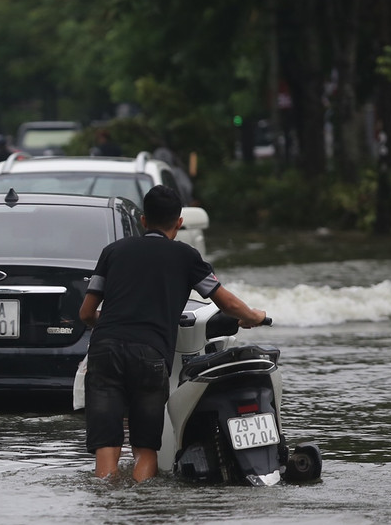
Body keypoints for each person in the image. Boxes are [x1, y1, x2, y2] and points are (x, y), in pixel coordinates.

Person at [78, 185, 266, 482]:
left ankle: (106, 500)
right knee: (145, 446)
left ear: (142, 221)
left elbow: (86, 314)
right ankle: (144, 502)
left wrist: (113, 322)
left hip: (105, 351)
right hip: (150, 353)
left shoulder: (113, 252)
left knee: (107, 443)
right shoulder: (186, 256)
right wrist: (254, 316)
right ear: (179, 222)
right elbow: (225, 302)